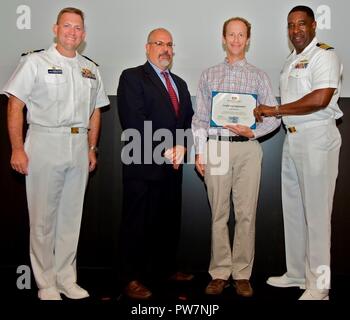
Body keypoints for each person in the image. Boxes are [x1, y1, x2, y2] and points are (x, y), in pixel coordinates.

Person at [3, 7, 110, 300]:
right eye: (67, 26)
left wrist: (91, 147)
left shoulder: (90, 68)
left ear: (84, 34)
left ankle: (66, 278)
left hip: (78, 145)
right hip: (43, 141)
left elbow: (96, 111)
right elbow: (15, 105)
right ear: (55, 28)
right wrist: (16, 148)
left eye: (78, 28)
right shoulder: (35, 62)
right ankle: (45, 283)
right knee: (43, 219)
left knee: (70, 218)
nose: (72, 32)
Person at [255, 6, 342, 300]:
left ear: (314, 26)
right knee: (293, 211)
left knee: (317, 216)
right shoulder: (291, 61)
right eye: (291, 26)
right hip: (292, 139)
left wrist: (276, 109)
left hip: (317, 138)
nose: (296, 30)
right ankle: (296, 274)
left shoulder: (324, 55)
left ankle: (320, 285)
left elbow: (320, 98)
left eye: (301, 24)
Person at [192, 17, 280, 298]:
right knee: (218, 214)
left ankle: (242, 274)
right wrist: (199, 150)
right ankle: (219, 273)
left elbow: (274, 118)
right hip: (216, 146)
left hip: (247, 148)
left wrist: (252, 133)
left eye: (241, 35)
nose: (236, 40)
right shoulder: (209, 75)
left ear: (248, 39)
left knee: (245, 214)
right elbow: (200, 119)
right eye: (231, 34)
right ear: (223, 38)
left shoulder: (259, 76)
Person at [117, 28, 194, 300]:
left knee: (168, 222)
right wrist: (166, 149)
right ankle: (131, 278)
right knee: (137, 223)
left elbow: (187, 122)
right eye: (159, 43)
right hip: (142, 164)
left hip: (172, 166)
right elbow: (133, 120)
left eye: (170, 44)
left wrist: (182, 146)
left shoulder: (180, 84)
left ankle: (165, 270)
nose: (165, 49)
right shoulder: (132, 77)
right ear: (147, 47)